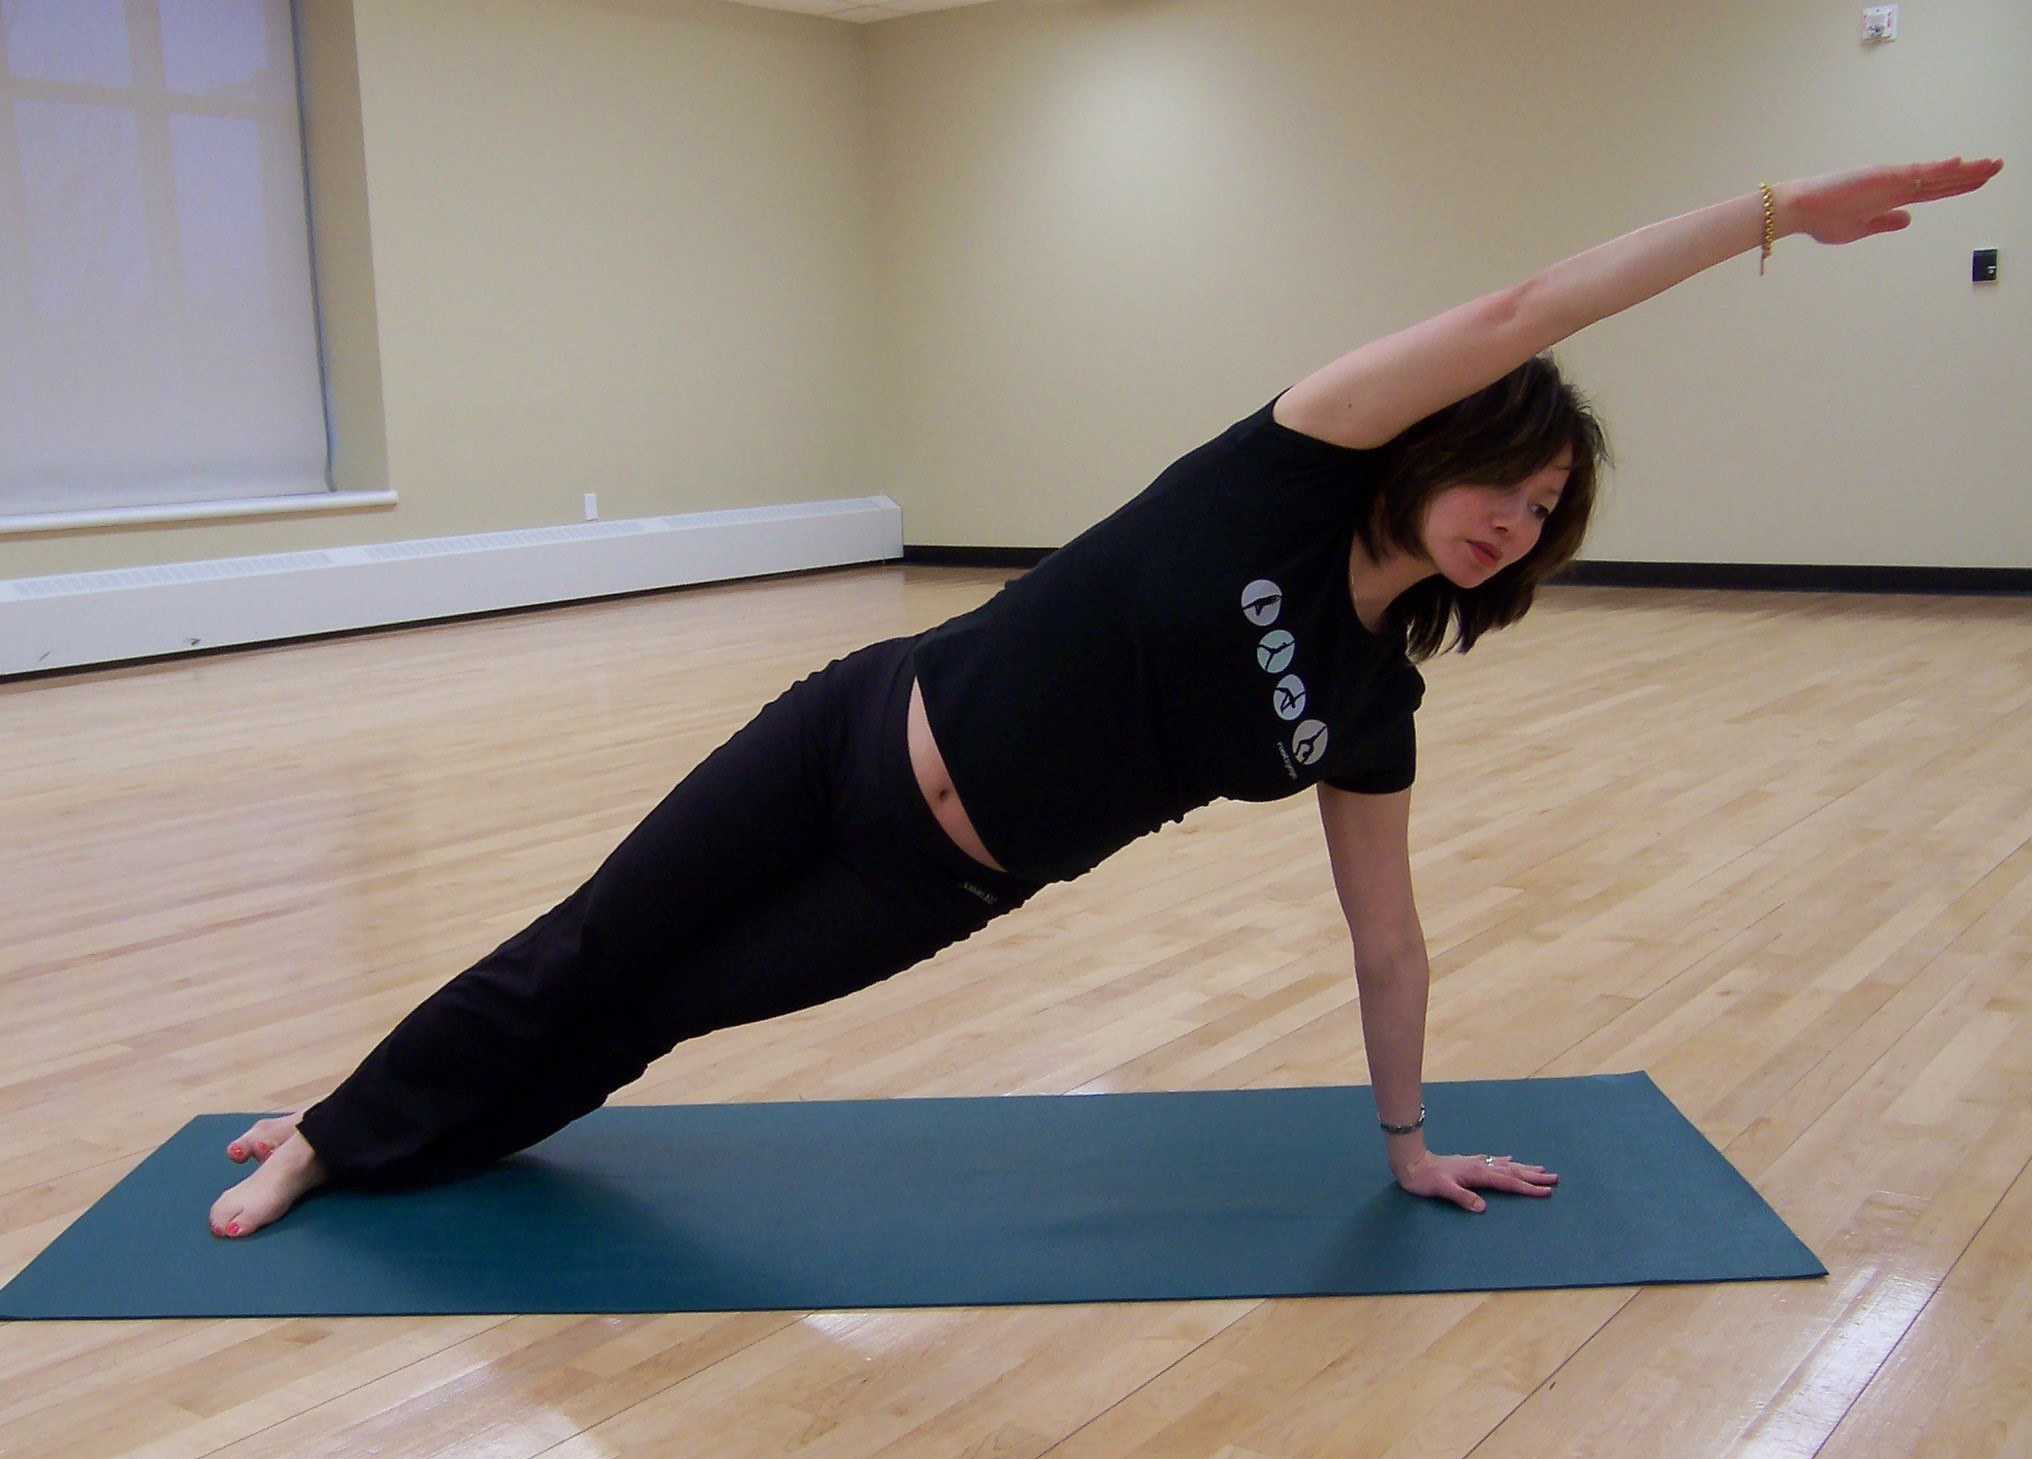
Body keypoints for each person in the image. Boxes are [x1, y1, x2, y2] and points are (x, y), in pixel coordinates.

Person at [211, 156, 2002, 1239]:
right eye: (1505, 485)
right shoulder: (1289, 466)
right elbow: (1527, 298)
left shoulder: (1369, 706)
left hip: (932, 886)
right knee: (591, 942)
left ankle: (409, 1148)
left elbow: (1388, 941)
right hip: (853, 730)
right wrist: (1766, 215)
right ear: (1446, 443)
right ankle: (330, 1135)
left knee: (656, 1015)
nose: (1510, 525)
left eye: (1542, 523)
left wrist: (1406, 1143)